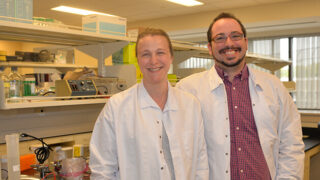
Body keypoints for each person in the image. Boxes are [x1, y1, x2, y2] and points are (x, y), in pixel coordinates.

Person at [176, 12, 305, 180]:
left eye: (235, 36)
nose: (229, 43)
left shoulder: (273, 87)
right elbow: (178, 149)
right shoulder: (186, 90)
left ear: (246, 42)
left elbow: (291, 145)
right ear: (209, 47)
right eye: (220, 38)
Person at [89, 28, 209, 180]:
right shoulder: (117, 107)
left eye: (160, 53)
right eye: (146, 54)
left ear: (171, 57)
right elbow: (102, 169)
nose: (154, 61)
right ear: (138, 60)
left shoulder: (190, 104)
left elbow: (200, 162)